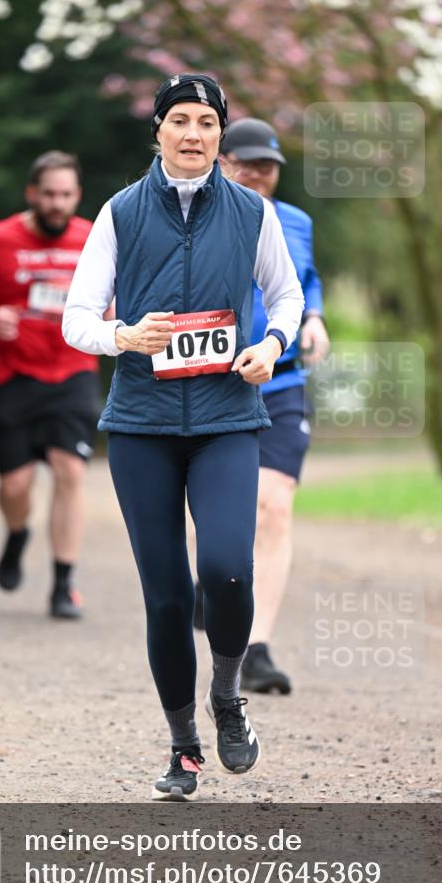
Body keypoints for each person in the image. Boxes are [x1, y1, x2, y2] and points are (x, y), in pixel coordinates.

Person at [63, 75, 304, 801]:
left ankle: (226, 697)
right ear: (159, 132)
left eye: (206, 121)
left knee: (227, 571)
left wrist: (271, 342)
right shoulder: (120, 211)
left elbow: (286, 295)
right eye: (179, 120)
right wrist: (121, 335)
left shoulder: (251, 213)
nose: (193, 133)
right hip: (140, 427)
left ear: (220, 135)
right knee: (167, 598)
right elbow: (76, 316)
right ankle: (183, 747)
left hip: (228, 419)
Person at [196, 117, 329, 695]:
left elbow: (306, 280)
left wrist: (316, 317)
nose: (255, 172)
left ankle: (256, 648)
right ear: (222, 162)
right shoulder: (196, 215)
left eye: (266, 164)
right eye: (243, 160)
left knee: (274, 505)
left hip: (281, 380)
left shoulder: (297, 222)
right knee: (214, 503)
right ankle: (212, 578)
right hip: (210, 381)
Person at [0, 151, 101, 619]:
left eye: (66, 195)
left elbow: (115, 294)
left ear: (77, 196)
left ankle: (63, 583)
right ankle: (17, 535)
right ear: (32, 194)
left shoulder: (93, 237)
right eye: (49, 194)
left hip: (73, 371)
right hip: (13, 375)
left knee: (70, 470)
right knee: (15, 486)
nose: (57, 204)